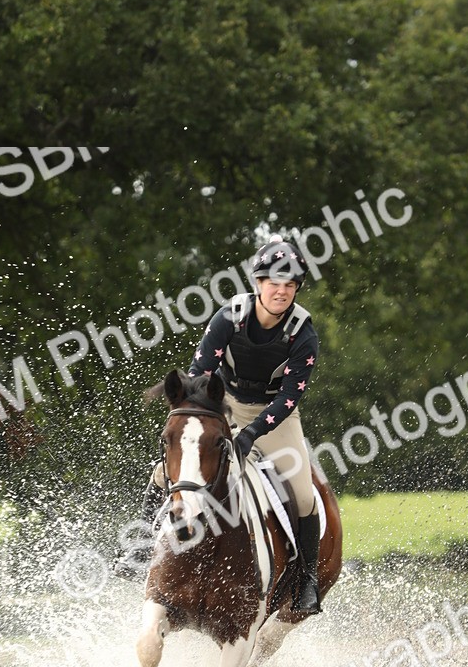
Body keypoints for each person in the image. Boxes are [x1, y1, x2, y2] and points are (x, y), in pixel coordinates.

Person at [114, 235, 321, 615]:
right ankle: (140, 546)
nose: (281, 291)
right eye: (273, 283)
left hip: (276, 416)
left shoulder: (303, 334)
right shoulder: (227, 319)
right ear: (258, 284)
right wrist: (201, 418)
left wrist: (251, 435)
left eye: (289, 285)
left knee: (305, 495)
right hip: (223, 406)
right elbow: (198, 376)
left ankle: (306, 580)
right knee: (164, 472)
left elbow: (288, 398)